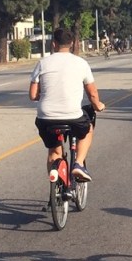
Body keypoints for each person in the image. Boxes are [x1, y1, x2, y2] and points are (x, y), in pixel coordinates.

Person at [29, 28, 105, 182]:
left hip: (46, 118)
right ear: (71, 44)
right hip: (73, 115)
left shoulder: (42, 63)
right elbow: (92, 94)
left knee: (54, 152)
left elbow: (33, 95)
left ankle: (55, 184)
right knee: (88, 128)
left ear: (54, 44)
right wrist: (98, 105)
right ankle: (78, 164)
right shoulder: (81, 63)